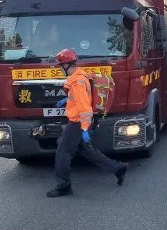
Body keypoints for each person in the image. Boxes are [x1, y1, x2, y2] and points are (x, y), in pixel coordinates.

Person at [46, 48, 128, 197]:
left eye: (60, 66)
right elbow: (81, 99)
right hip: (78, 121)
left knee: (62, 152)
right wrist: (67, 100)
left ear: (66, 65)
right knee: (87, 151)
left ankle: (63, 185)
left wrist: (84, 129)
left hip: (77, 122)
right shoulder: (80, 76)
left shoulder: (77, 82)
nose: (59, 68)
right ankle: (118, 168)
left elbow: (85, 107)